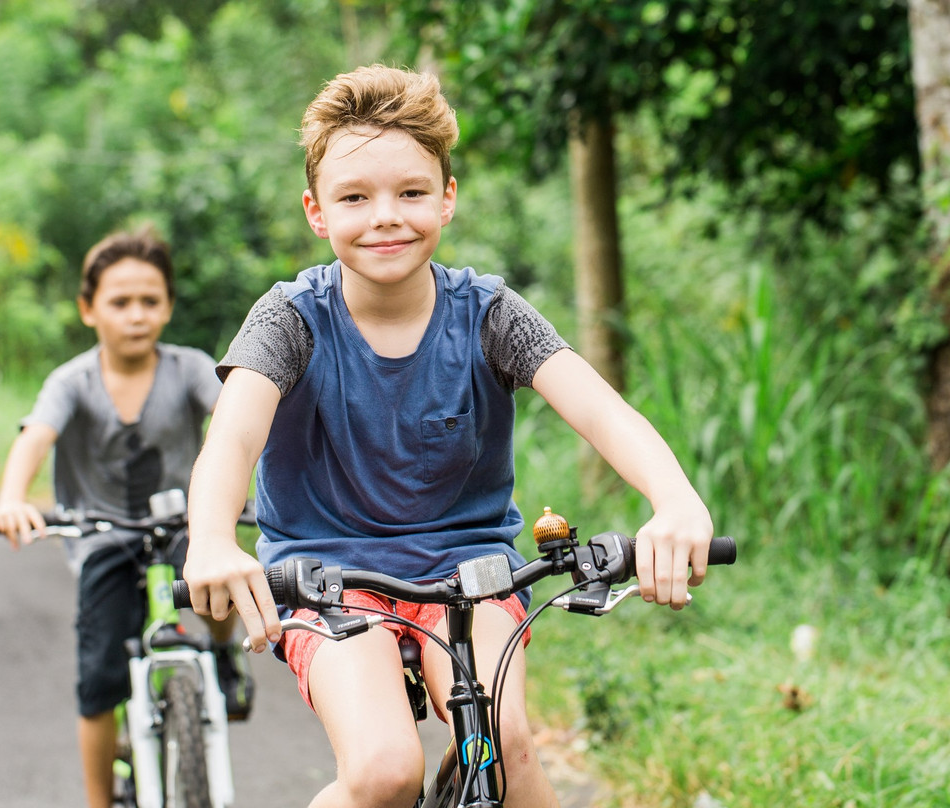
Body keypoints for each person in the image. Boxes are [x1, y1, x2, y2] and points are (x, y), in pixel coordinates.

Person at [183, 64, 714, 808]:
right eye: (355, 198)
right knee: (383, 772)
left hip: (470, 572)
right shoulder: (290, 318)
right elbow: (233, 437)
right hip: (329, 579)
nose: (385, 216)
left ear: (447, 198)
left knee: (509, 755)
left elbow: (601, 411)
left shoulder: (491, 314)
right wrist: (210, 537)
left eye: (411, 192)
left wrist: (675, 500)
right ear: (315, 211)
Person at [0, 225, 254, 808]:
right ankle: (97, 799)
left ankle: (221, 651)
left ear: (167, 307)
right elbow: (37, 437)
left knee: (216, 583)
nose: (136, 315)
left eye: (150, 301)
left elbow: (238, 419)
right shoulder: (73, 382)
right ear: (89, 309)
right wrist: (13, 496)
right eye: (120, 302)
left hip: (185, 523)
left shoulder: (188, 368)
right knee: (101, 677)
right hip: (102, 537)